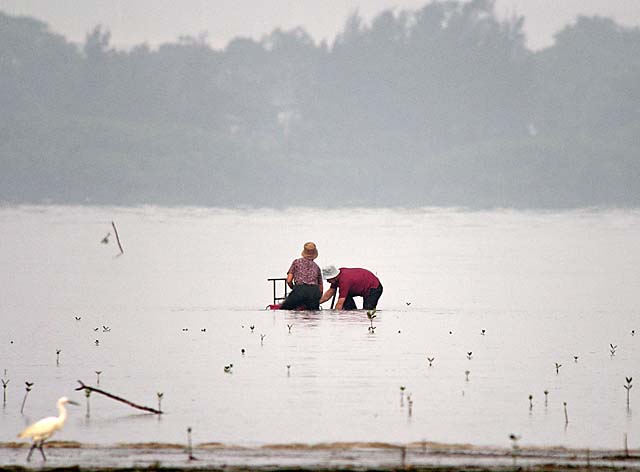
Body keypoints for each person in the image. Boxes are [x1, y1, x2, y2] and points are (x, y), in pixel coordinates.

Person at [279, 242, 323, 310]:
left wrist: (294, 289)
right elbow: (321, 288)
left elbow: (289, 280)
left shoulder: (296, 262)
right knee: (313, 314)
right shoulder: (317, 267)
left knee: (284, 309)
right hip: (314, 291)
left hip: (300, 289)